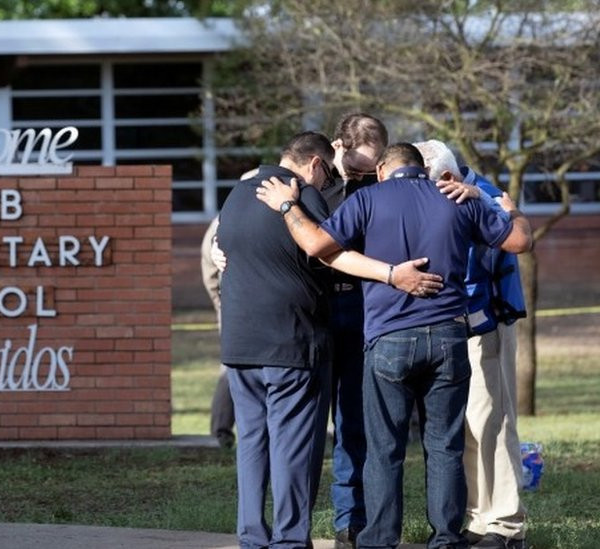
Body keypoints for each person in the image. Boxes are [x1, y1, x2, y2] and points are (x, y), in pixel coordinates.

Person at [254, 143, 533, 549]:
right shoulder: (458, 199)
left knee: (385, 447)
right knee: (445, 446)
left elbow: (315, 244)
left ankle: (380, 538)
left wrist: (286, 207)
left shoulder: (367, 198)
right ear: (424, 170)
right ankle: (445, 538)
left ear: (383, 169)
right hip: (450, 338)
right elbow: (520, 242)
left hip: (389, 341)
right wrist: (509, 208)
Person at [217, 133, 442, 549]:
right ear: (316, 165)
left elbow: (223, 248)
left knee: (251, 443)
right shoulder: (303, 196)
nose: (324, 187)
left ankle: (251, 535)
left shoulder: (236, 194)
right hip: (292, 342)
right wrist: (392, 274)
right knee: (293, 446)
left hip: (238, 342)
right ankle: (288, 540)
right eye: (324, 179)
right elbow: (329, 254)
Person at [415, 140, 529, 549]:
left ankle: (505, 525)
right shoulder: (448, 191)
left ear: (446, 177)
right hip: (449, 326)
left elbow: (514, 235)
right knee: (465, 427)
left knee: (492, 423)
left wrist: (484, 200)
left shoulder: (485, 196)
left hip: (486, 325)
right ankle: (479, 518)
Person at [323, 113, 389, 549]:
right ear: (337, 147)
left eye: (373, 168)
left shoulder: (383, 185)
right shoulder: (310, 180)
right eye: (358, 168)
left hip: (365, 305)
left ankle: (351, 519)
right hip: (317, 307)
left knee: (354, 420)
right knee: (306, 423)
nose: (364, 177)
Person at [200, 215, 236, 449]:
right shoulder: (225, 219)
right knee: (230, 368)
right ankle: (220, 431)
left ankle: (220, 431)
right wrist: (220, 304)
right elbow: (209, 265)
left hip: (230, 303)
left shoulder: (227, 215)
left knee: (231, 366)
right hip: (232, 303)